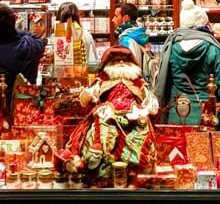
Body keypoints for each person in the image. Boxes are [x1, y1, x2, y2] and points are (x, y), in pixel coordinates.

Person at [65, 45, 158, 182]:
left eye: (125, 60)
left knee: (140, 135)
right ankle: (102, 171)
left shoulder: (137, 81)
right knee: (103, 134)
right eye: (117, 60)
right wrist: (89, 95)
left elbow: (148, 99)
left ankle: (135, 170)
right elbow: (88, 97)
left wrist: (148, 108)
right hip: (108, 113)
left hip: (133, 114)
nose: (121, 63)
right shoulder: (103, 80)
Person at [154, 0, 220, 125]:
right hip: (205, 113)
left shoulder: (171, 47)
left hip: (176, 111)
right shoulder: (213, 49)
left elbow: (165, 82)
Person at [0, 3, 44, 104]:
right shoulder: (31, 45)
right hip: (29, 108)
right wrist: (14, 30)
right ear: (14, 22)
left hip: (1, 113)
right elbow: (37, 38)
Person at [112, 2, 151, 79]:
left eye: (116, 16)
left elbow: (126, 72)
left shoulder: (126, 40)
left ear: (125, 18)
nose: (113, 20)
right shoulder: (137, 35)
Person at [56, 1, 97, 69]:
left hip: (61, 76)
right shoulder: (86, 34)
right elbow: (93, 61)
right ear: (77, 16)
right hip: (82, 74)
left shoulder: (56, 36)